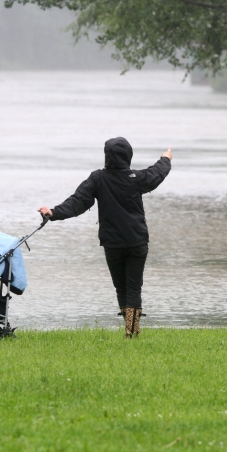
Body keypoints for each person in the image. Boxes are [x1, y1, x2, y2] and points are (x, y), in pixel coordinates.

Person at [38, 137, 172, 338]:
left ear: (107, 156)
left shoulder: (98, 178)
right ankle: (132, 332)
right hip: (137, 241)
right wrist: (165, 158)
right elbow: (156, 173)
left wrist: (54, 212)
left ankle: (131, 330)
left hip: (112, 243)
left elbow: (78, 202)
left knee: (121, 287)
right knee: (134, 287)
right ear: (128, 155)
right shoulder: (136, 178)